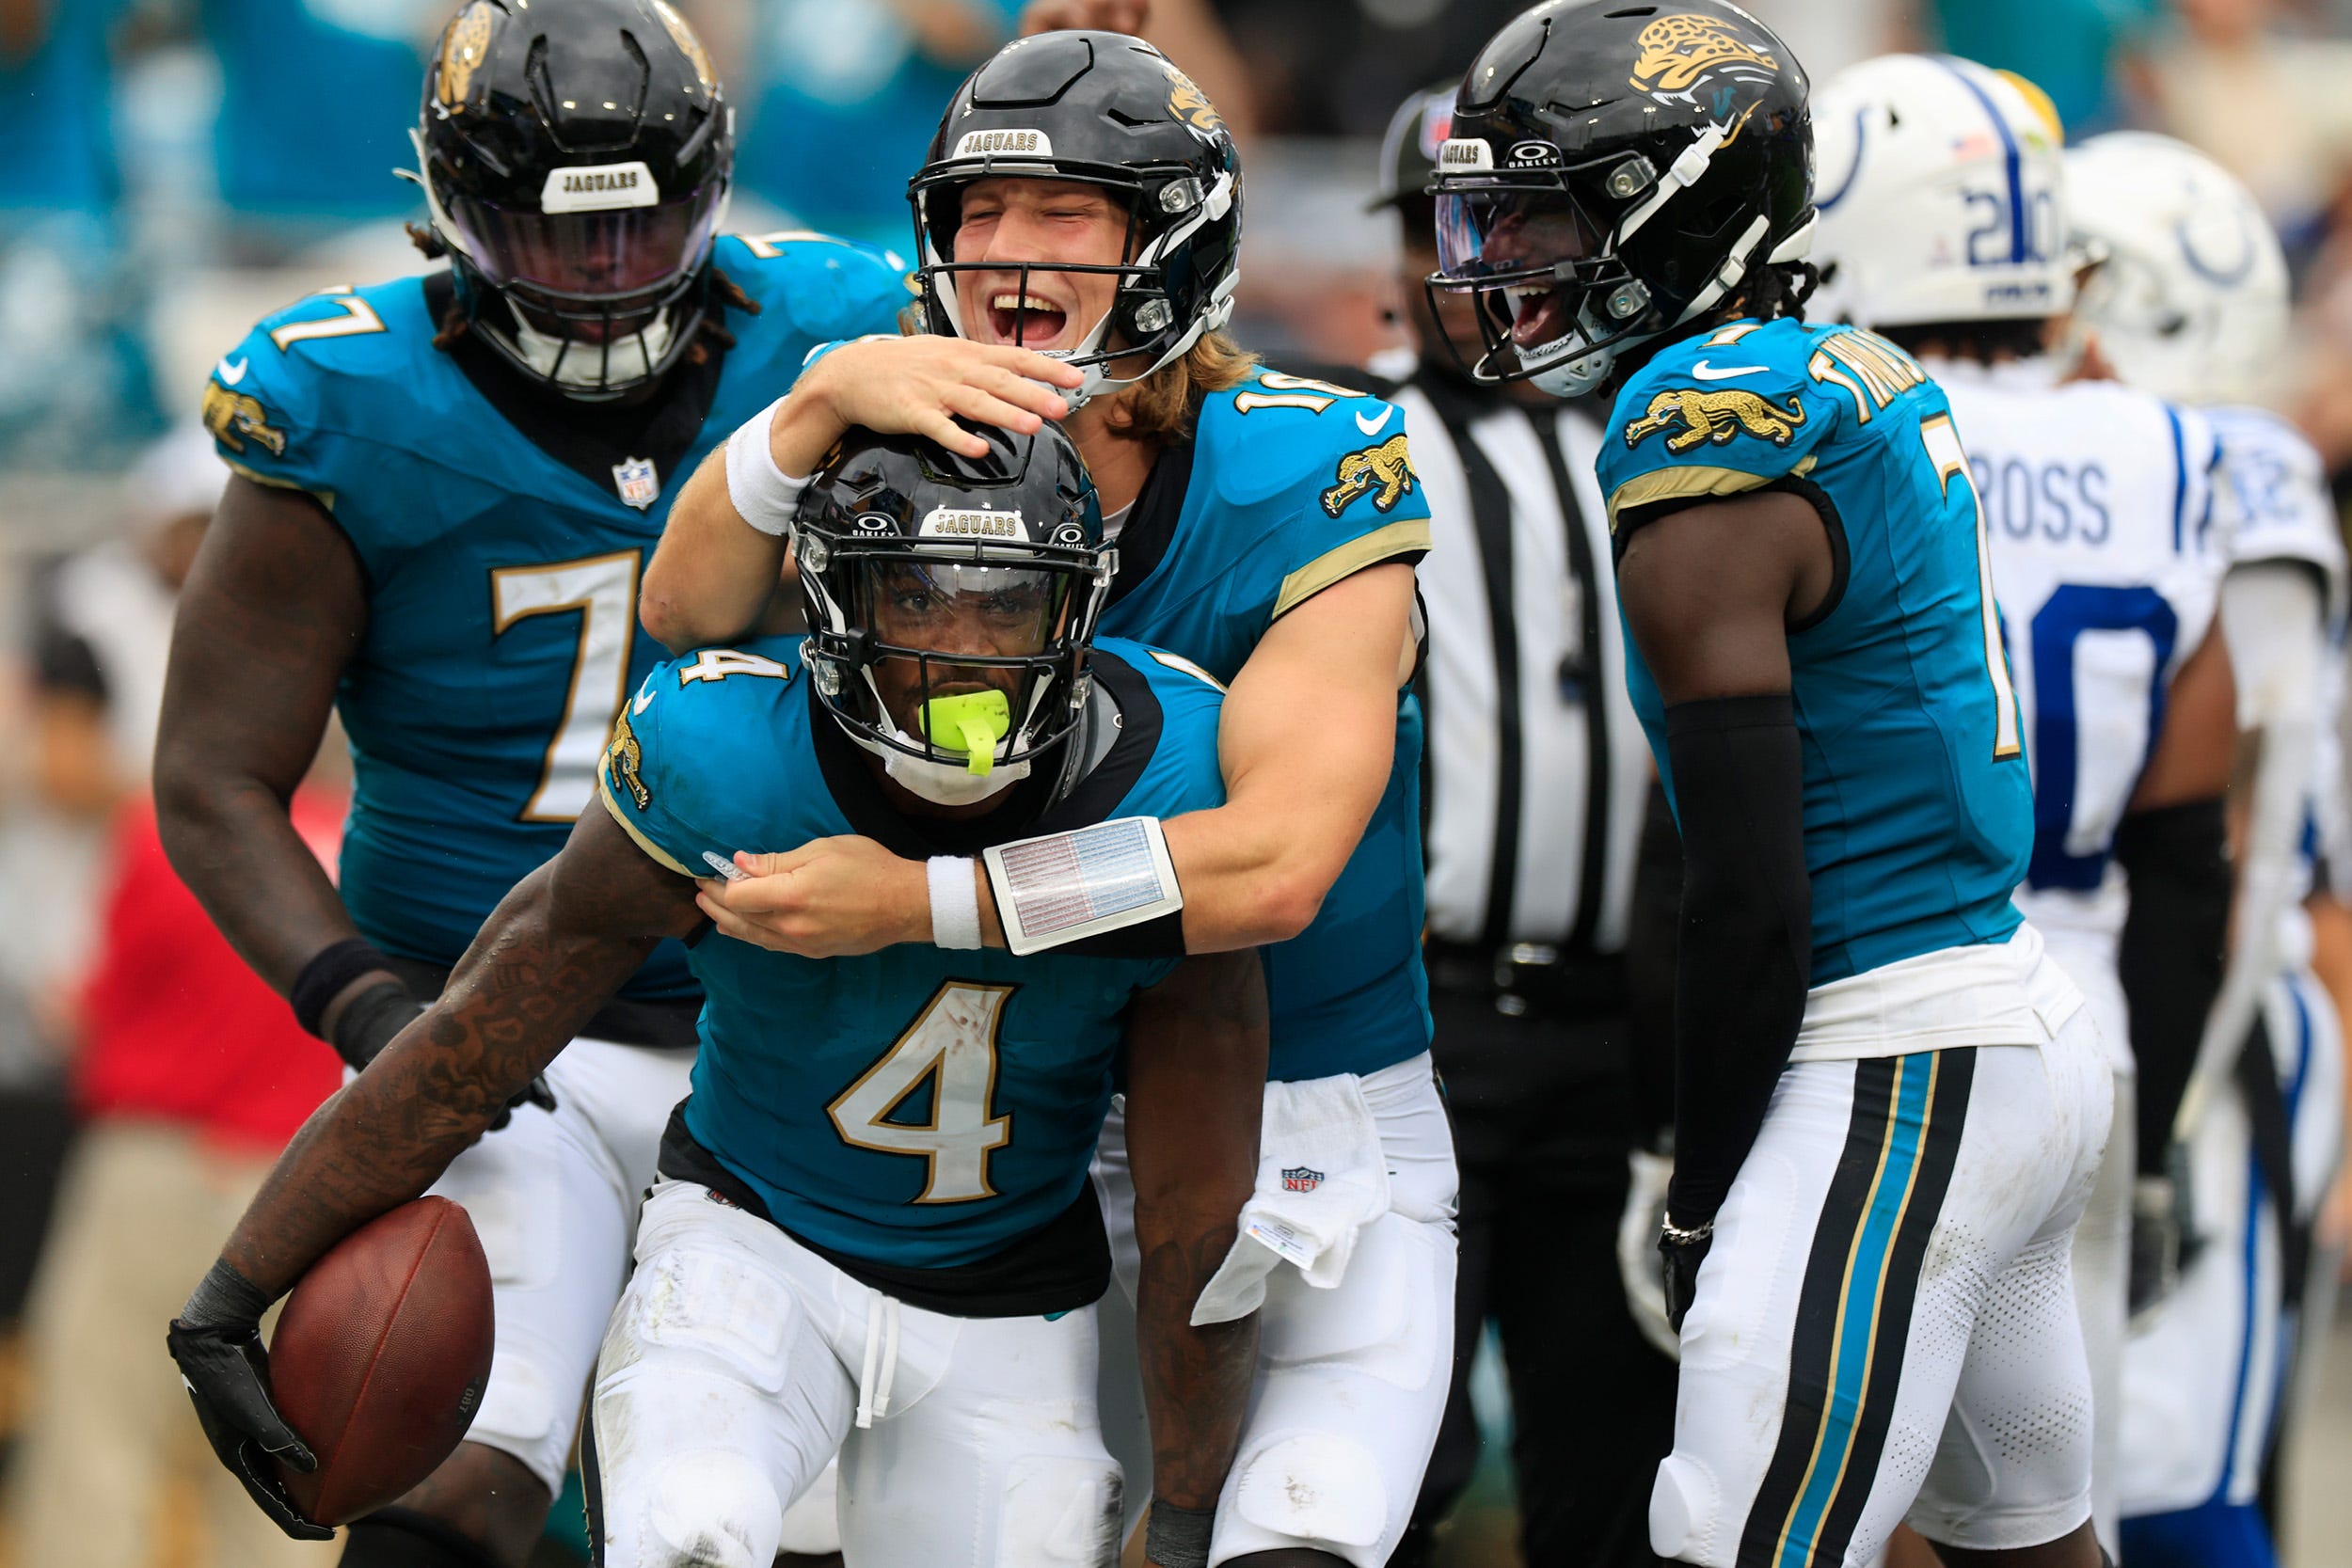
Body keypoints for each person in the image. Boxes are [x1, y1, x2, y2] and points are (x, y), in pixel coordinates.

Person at [167, 420, 1272, 1568]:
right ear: (832, 602)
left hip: (1010, 1304)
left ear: (1079, 611)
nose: (964, 653)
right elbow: (476, 1042)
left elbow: (1199, 1201)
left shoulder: (1174, 776)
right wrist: (236, 1282)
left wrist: (1188, 1509)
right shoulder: (726, 746)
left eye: (1004, 606)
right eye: (916, 599)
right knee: (692, 1523)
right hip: (753, 1245)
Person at [638, 32, 1454, 1567]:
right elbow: (683, 612)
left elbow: (1273, 867)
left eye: (1064, 213)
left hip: (1304, 1106)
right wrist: (800, 420)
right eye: (982, 214)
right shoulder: (898, 443)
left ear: (1172, 239)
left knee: (1286, 1539)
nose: (1009, 257)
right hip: (1016, 1128)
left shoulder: (1307, 464)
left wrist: (919, 898)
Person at [151, 4, 914, 1565]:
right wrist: (380, 1020)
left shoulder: (841, 330)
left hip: (773, 1021)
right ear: (449, 201)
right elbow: (217, 775)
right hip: (487, 1021)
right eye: (557, 233)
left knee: (779, 1511)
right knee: (453, 1475)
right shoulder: (344, 400)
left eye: (644, 217)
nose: (609, 269)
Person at [1427, 5, 2110, 1565]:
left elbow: (1743, 890)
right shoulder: (1836, 366)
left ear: (1687, 204)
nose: (1505, 253)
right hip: (1999, 1015)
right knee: (2028, 1542)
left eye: (1547, 208)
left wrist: (1702, 1183)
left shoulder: (1708, 427)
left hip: (1894, 1051)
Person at [1804, 59, 2263, 1558]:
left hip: (1872, 1011)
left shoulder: (1827, 433)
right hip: (2097, 1034)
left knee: (1834, 1498)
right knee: (2054, 1507)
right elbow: (2188, 850)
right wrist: (2164, 1129)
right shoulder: (2186, 453)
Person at [1359, 81, 1673, 1568]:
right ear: (1400, 257)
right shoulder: (1349, 442)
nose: (1490, 266)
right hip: (1430, 1021)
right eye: (1457, 228)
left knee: (1618, 1452)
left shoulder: (1664, 424)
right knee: (1390, 1454)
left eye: (1528, 227)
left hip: (1623, 1021)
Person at [2061, 127, 2349, 1568]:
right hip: (2124, 1002)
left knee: (2164, 1476)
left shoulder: (2229, 477)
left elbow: (2247, 829)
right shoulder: (2185, 458)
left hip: (2202, 1014)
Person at [6, 430, 345, 1568]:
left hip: (152, 1170)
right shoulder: (356, 854)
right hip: (300, 1190)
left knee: (97, 1455)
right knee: (276, 1486)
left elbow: (81, 1010)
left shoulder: (158, 838)